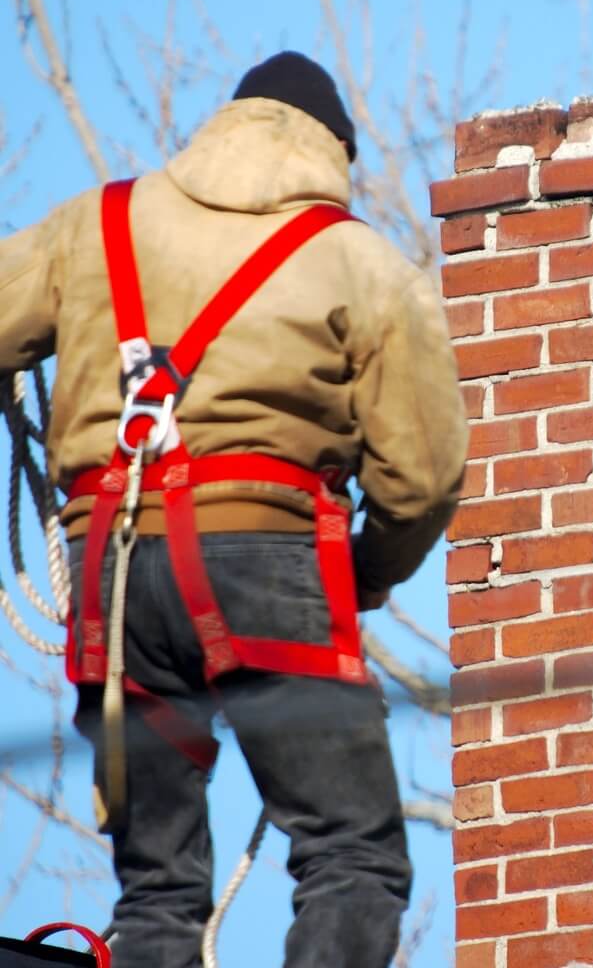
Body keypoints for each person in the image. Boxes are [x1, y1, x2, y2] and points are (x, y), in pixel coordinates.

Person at [0, 51, 468, 968]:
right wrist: (367, 575)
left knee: (158, 891)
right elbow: (421, 478)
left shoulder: (94, 226)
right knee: (350, 854)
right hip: (264, 564)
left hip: (114, 572)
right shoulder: (361, 262)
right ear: (334, 151)